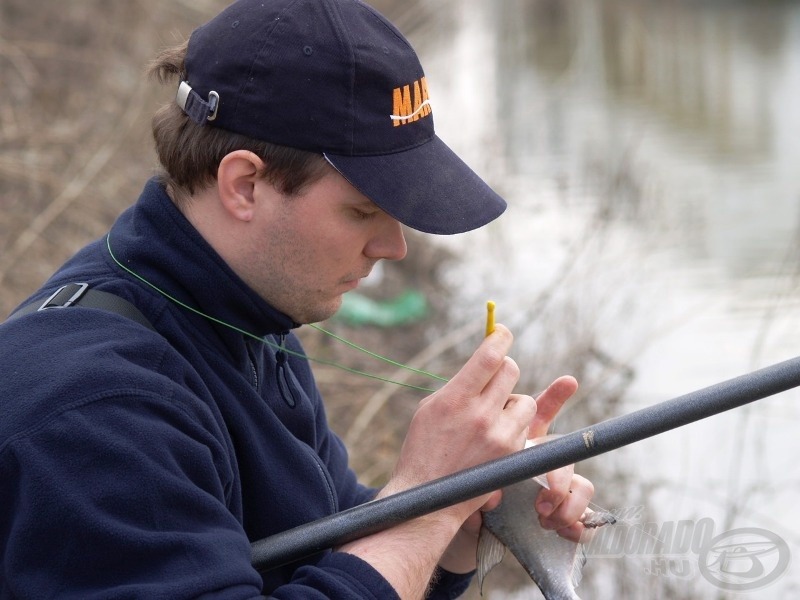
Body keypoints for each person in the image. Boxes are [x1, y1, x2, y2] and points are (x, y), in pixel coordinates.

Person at [0, 0, 594, 598]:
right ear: (245, 185)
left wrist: (466, 508)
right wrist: (424, 514)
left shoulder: (243, 314)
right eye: (363, 211)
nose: (394, 247)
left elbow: (335, 551)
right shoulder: (97, 414)